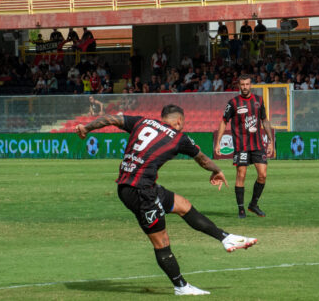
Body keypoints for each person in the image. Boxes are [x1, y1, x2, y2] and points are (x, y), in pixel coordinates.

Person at [74, 105, 257, 296]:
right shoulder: (179, 137)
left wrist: (87, 128)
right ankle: (181, 286)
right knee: (161, 241)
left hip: (134, 186)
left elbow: (111, 118)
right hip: (141, 192)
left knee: (182, 205)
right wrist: (217, 170)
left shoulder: (142, 121)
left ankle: (225, 238)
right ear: (179, 121)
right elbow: (202, 160)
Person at [215, 74, 274, 218]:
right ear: (239, 86)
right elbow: (224, 122)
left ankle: (253, 204)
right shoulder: (233, 103)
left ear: (251, 85)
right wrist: (218, 141)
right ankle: (241, 209)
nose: (245, 87)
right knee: (241, 174)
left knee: (263, 175)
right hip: (241, 145)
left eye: (247, 84)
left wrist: (271, 141)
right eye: (242, 84)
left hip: (258, 144)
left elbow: (264, 120)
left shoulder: (259, 101)